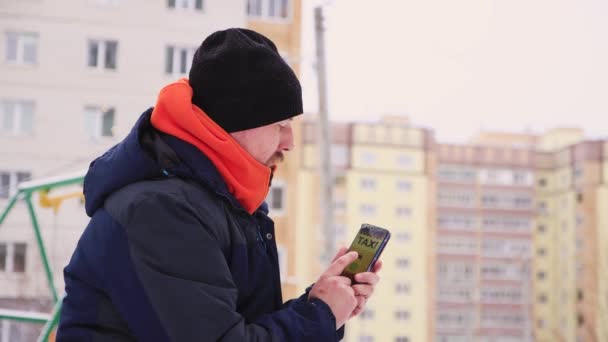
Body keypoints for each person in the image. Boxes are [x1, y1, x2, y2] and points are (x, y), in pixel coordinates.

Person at [56, 28, 381, 341]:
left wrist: (321, 304)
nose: (289, 142)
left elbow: (239, 324)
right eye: (280, 124)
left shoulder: (223, 204)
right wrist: (320, 315)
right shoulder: (161, 212)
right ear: (235, 122)